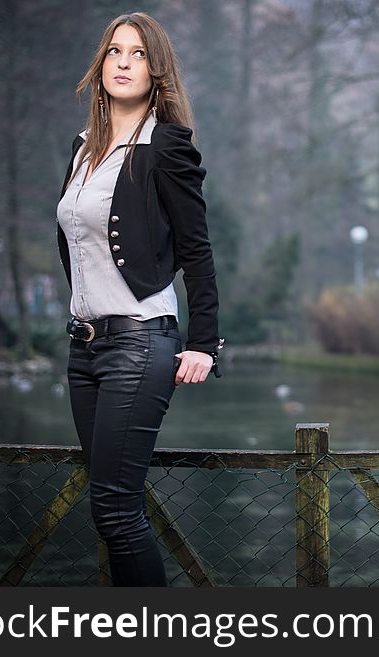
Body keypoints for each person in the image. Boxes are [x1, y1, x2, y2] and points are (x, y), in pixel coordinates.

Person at [56, 12, 221, 586]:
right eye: (115, 52)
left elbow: (197, 251)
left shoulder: (165, 146)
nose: (124, 63)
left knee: (117, 511)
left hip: (139, 342)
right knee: (108, 511)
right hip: (84, 350)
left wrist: (204, 343)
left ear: (158, 72)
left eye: (140, 54)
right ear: (100, 65)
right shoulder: (82, 150)